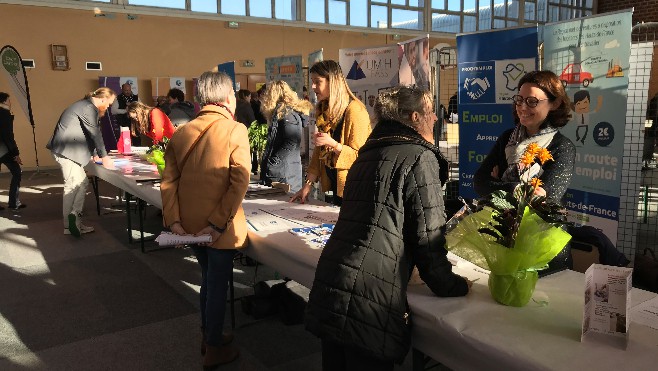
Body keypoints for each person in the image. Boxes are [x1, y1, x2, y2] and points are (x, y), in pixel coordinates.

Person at [305, 86, 472, 370]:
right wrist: (452, 286)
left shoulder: (367, 155)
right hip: (369, 295)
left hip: (333, 282)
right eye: (431, 112)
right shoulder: (420, 157)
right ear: (415, 116)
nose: (435, 119)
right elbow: (428, 241)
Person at [161, 71, 249, 369]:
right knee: (218, 284)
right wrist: (217, 224)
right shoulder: (235, 130)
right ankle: (213, 347)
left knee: (208, 281)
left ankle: (208, 334)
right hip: (218, 226)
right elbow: (239, 182)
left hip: (188, 226)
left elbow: (168, 182)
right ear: (228, 98)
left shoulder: (181, 132)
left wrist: (174, 222)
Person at [473, 70, 575, 269]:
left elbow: (543, 200)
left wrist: (500, 185)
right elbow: (479, 182)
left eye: (532, 101)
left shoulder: (561, 147)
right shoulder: (507, 139)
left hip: (544, 245)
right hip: (503, 235)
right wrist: (516, 188)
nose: (522, 107)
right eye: (519, 100)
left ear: (554, 104)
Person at [290, 60, 371, 206]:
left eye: (317, 82)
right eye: (312, 82)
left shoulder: (355, 111)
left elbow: (361, 156)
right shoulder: (324, 109)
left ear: (332, 82)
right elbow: (319, 152)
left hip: (354, 190)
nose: (313, 87)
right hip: (334, 187)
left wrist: (333, 144)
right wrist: (307, 185)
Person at [47, 87, 116, 236]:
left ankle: (74, 219)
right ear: (103, 99)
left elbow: (86, 133)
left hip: (67, 151)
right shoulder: (87, 108)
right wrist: (104, 157)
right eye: (109, 104)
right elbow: (95, 133)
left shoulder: (84, 106)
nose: (109, 107)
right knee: (73, 184)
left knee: (81, 183)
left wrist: (96, 153)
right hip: (66, 152)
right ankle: (70, 222)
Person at [259, 80, 314, 193]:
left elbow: (291, 140)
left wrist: (275, 161)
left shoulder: (286, 114)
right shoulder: (283, 112)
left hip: (284, 172)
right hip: (285, 171)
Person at [0, 92, 25, 211]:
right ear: (4, 101)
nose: (10, 102)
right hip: (4, 150)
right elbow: (8, 136)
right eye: (9, 100)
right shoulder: (4, 114)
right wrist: (16, 154)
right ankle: (13, 202)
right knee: (17, 172)